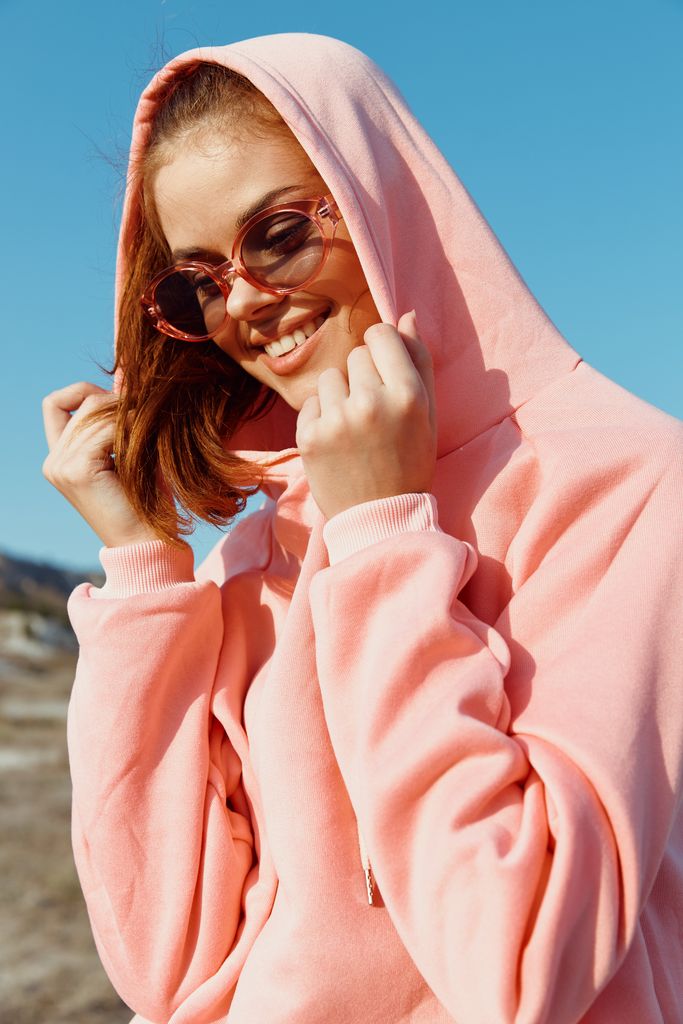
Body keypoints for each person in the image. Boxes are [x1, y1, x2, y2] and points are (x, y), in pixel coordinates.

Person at [41, 33, 682, 1024]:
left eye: (280, 234)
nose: (246, 303)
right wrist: (143, 575)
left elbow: (518, 970)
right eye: (197, 281)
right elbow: (163, 961)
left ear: (385, 201)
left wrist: (383, 538)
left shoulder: (625, 481)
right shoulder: (257, 552)